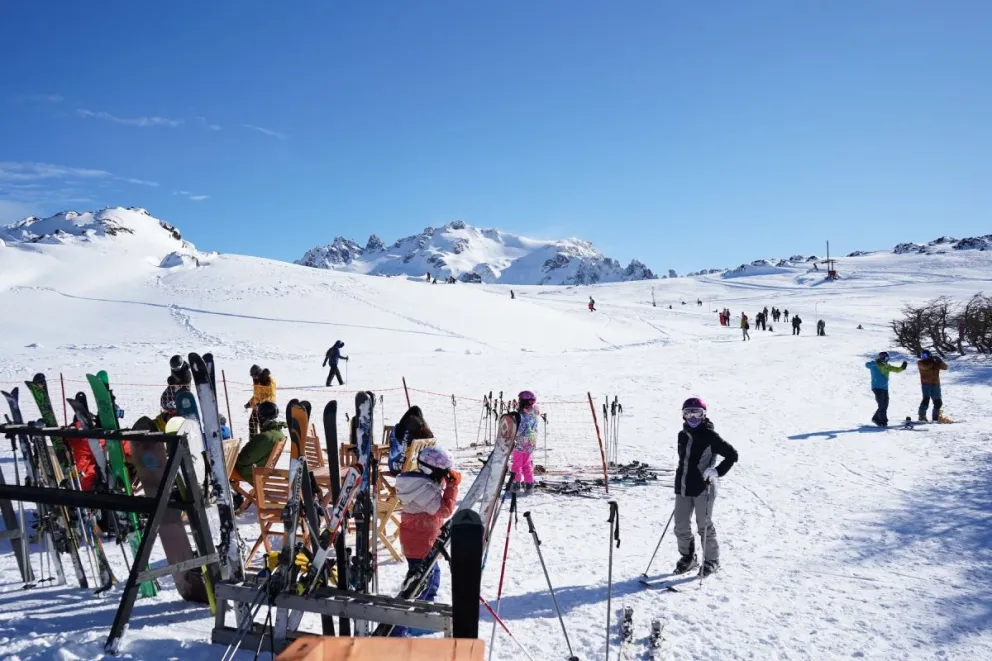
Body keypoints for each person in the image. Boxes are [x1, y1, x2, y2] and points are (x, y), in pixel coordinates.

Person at [393, 446, 461, 637]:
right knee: (420, 584)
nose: (445, 478)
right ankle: (403, 627)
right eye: (444, 474)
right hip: (420, 544)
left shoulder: (420, 485)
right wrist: (452, 487)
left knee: (430, 580)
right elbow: (444, 510)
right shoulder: (422, 489)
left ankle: (421, 617)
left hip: (421, 542)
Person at [672, 397, 738, 577]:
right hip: (684, 486)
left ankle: (712, 560)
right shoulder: (682, 435)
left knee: (704, 526)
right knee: (680, 526)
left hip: (704, 487)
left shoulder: (710, 436)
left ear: (704, 415)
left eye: (697, 413)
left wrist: (717, 471)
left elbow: (732, 455)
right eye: (688, 413)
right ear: (683, 415)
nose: (693, 417)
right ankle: (688, 558)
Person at [233, 402, 285, 484]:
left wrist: (234, 459)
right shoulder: (279, 434)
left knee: (224, 468)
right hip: (262, 471)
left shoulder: (265, 437)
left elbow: (244, 459)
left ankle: (234, 494)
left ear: (261, 417)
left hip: (251, 473)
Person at [387, 406, 434, 474]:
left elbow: (391, 444)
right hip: (413, 468)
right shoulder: (422, 431)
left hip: (394, 467)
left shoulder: (397, 428)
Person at [865, 352, 907, 427]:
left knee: (885, 405)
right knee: (881, 405)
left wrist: (902, 368)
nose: (887, 360)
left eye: (888, 358)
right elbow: (867, 365)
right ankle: (883, 422)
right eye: (886, 358)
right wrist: (876, 362)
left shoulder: (887, 366)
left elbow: (896, 369)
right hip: (877, 387)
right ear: (882, 358)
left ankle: (875, 418)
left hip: (885, 388)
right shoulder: (875, 365)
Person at [510, 391, 540, 494]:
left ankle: (515, 486)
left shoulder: (522, 415)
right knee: (527, 464)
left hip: (520, 444)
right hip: (530, 443)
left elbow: (519, 430)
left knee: (517, 465)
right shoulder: (534, 414)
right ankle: (529, 485)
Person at [917, 350, 949, 423]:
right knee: (926, 400)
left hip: (935, 384)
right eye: (922, 355)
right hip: (926, 385)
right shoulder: (920, 363)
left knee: (938, 402)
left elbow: (945, 367)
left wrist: (940, 362)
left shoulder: (934, 363)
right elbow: (926, 367)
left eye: (924, 356)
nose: (923, 357)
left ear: (929, 355)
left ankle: (936, 417)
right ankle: (922, 416)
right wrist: (933, 360)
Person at [245, 365, 277, 437]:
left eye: (255, 375)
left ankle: (264, 442)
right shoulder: (256, 381)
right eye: (253, 376)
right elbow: (257, 396)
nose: (254, 377)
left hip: (267, 408)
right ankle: (252, 442)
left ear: (260, 373)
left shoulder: (269, 381)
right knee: (252, 422)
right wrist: (250, 403)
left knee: (263, 426)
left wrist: (261, 404)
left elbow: (271, 396)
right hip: (257, 407)